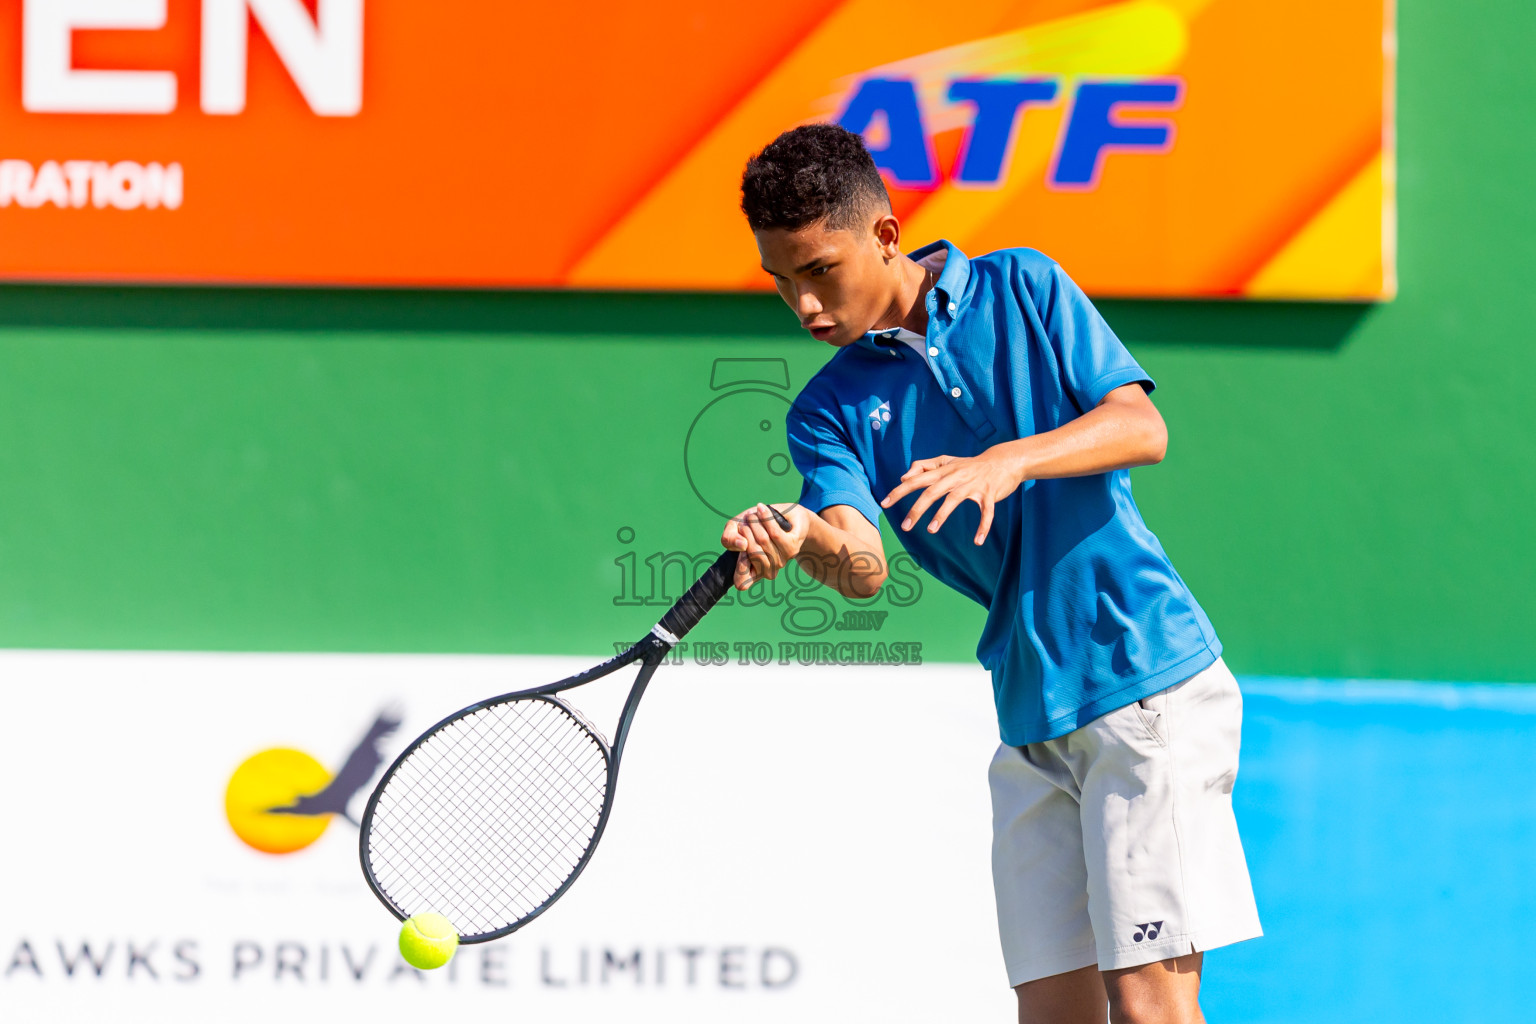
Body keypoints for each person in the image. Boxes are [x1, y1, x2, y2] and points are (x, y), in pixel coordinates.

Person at [720, 123, 1261, 1024]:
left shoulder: (1024, 286)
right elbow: (859, 565)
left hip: (1144, 685)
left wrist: (1007, 461)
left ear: (886, 236)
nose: (805, 305)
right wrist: (802, 532)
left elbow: (1141, 428)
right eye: (783, 282)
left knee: (1149, 1008)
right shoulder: (826, 409)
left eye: (820, 270)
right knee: (1054, 1016)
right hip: (1030, 715)